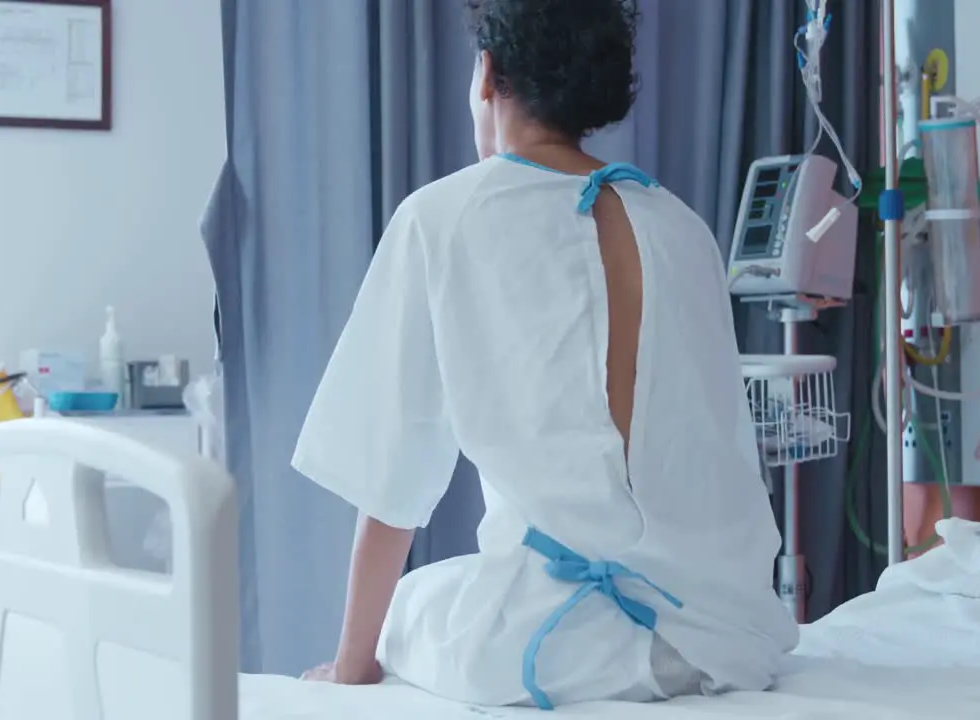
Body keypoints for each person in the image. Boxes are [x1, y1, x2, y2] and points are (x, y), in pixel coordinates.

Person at [293, 0, 798, 708]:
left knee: (412, 607)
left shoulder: (443, 219)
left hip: (560, 647)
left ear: (488, 73)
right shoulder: (682, 226)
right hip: (723, 634)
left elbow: (391, 482)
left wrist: (351, 667)